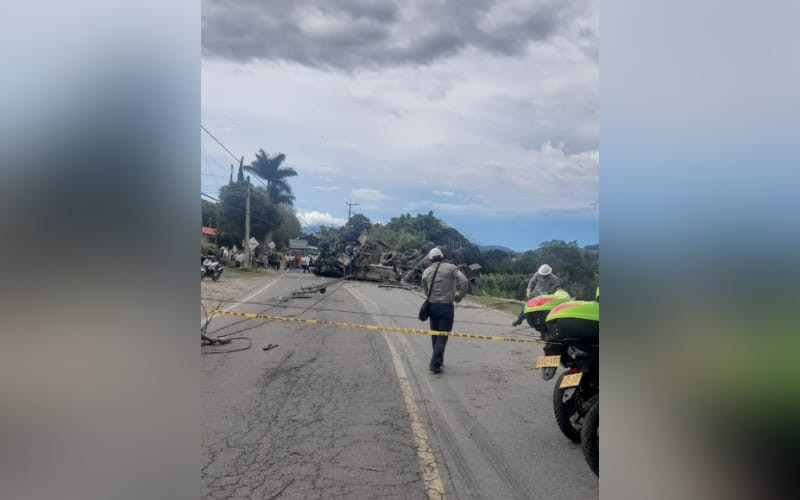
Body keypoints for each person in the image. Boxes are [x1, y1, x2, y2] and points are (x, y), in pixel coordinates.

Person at [421, 247, 468, 374]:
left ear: (430, 259)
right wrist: (459, 296)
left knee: (435, 335)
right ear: (442, 257)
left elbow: (425, 290)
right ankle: (435, 364)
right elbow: (464, 280)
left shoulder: (426, 272)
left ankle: (439, 361)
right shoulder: (451, 268)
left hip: (432, 306)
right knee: (443, 336)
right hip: (446, 307)